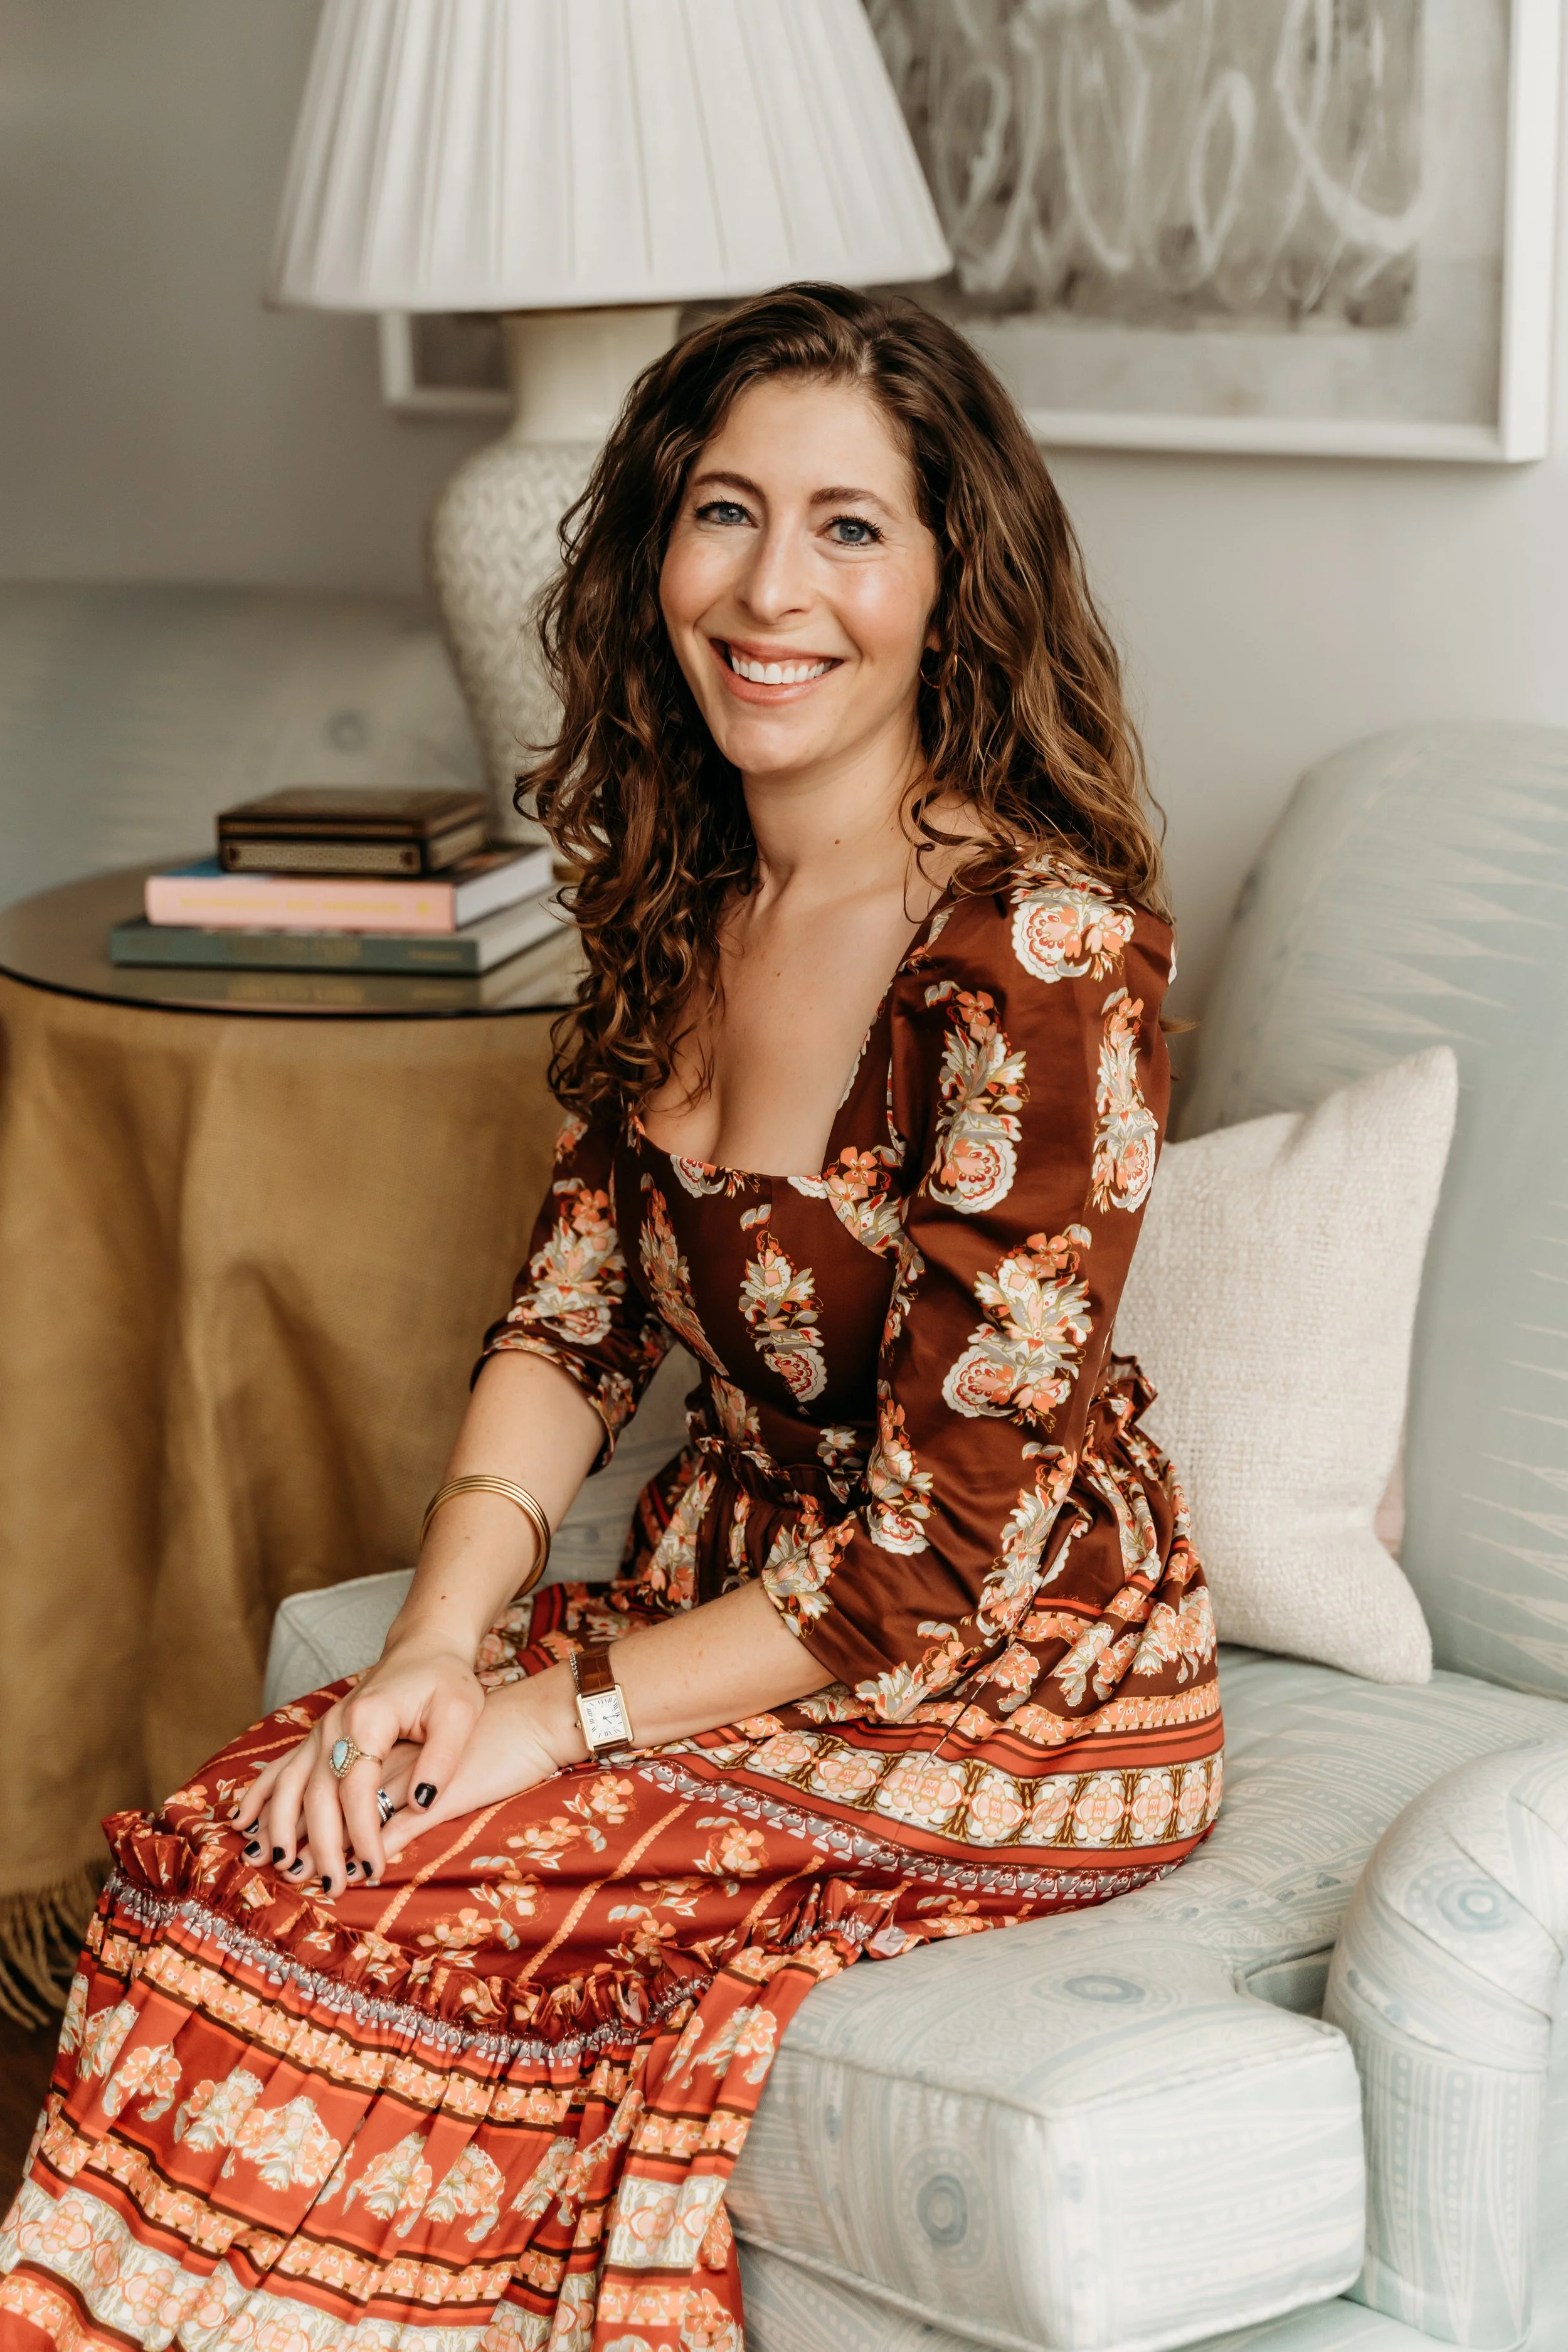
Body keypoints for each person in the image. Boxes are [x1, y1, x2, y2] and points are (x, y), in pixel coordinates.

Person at [0, 285, 1221, 2352]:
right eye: (724, 510)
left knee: (386, 1906)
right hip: (723, 1597)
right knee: (226, 1847)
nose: (769, 588)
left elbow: (930, 1556)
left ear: (954, 580)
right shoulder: (683, 892)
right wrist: (429, 1651)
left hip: (1008, 1675)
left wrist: (544, 1720)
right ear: (655, 543)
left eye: (849, 527)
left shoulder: (1038, 954)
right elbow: (568, 1326)